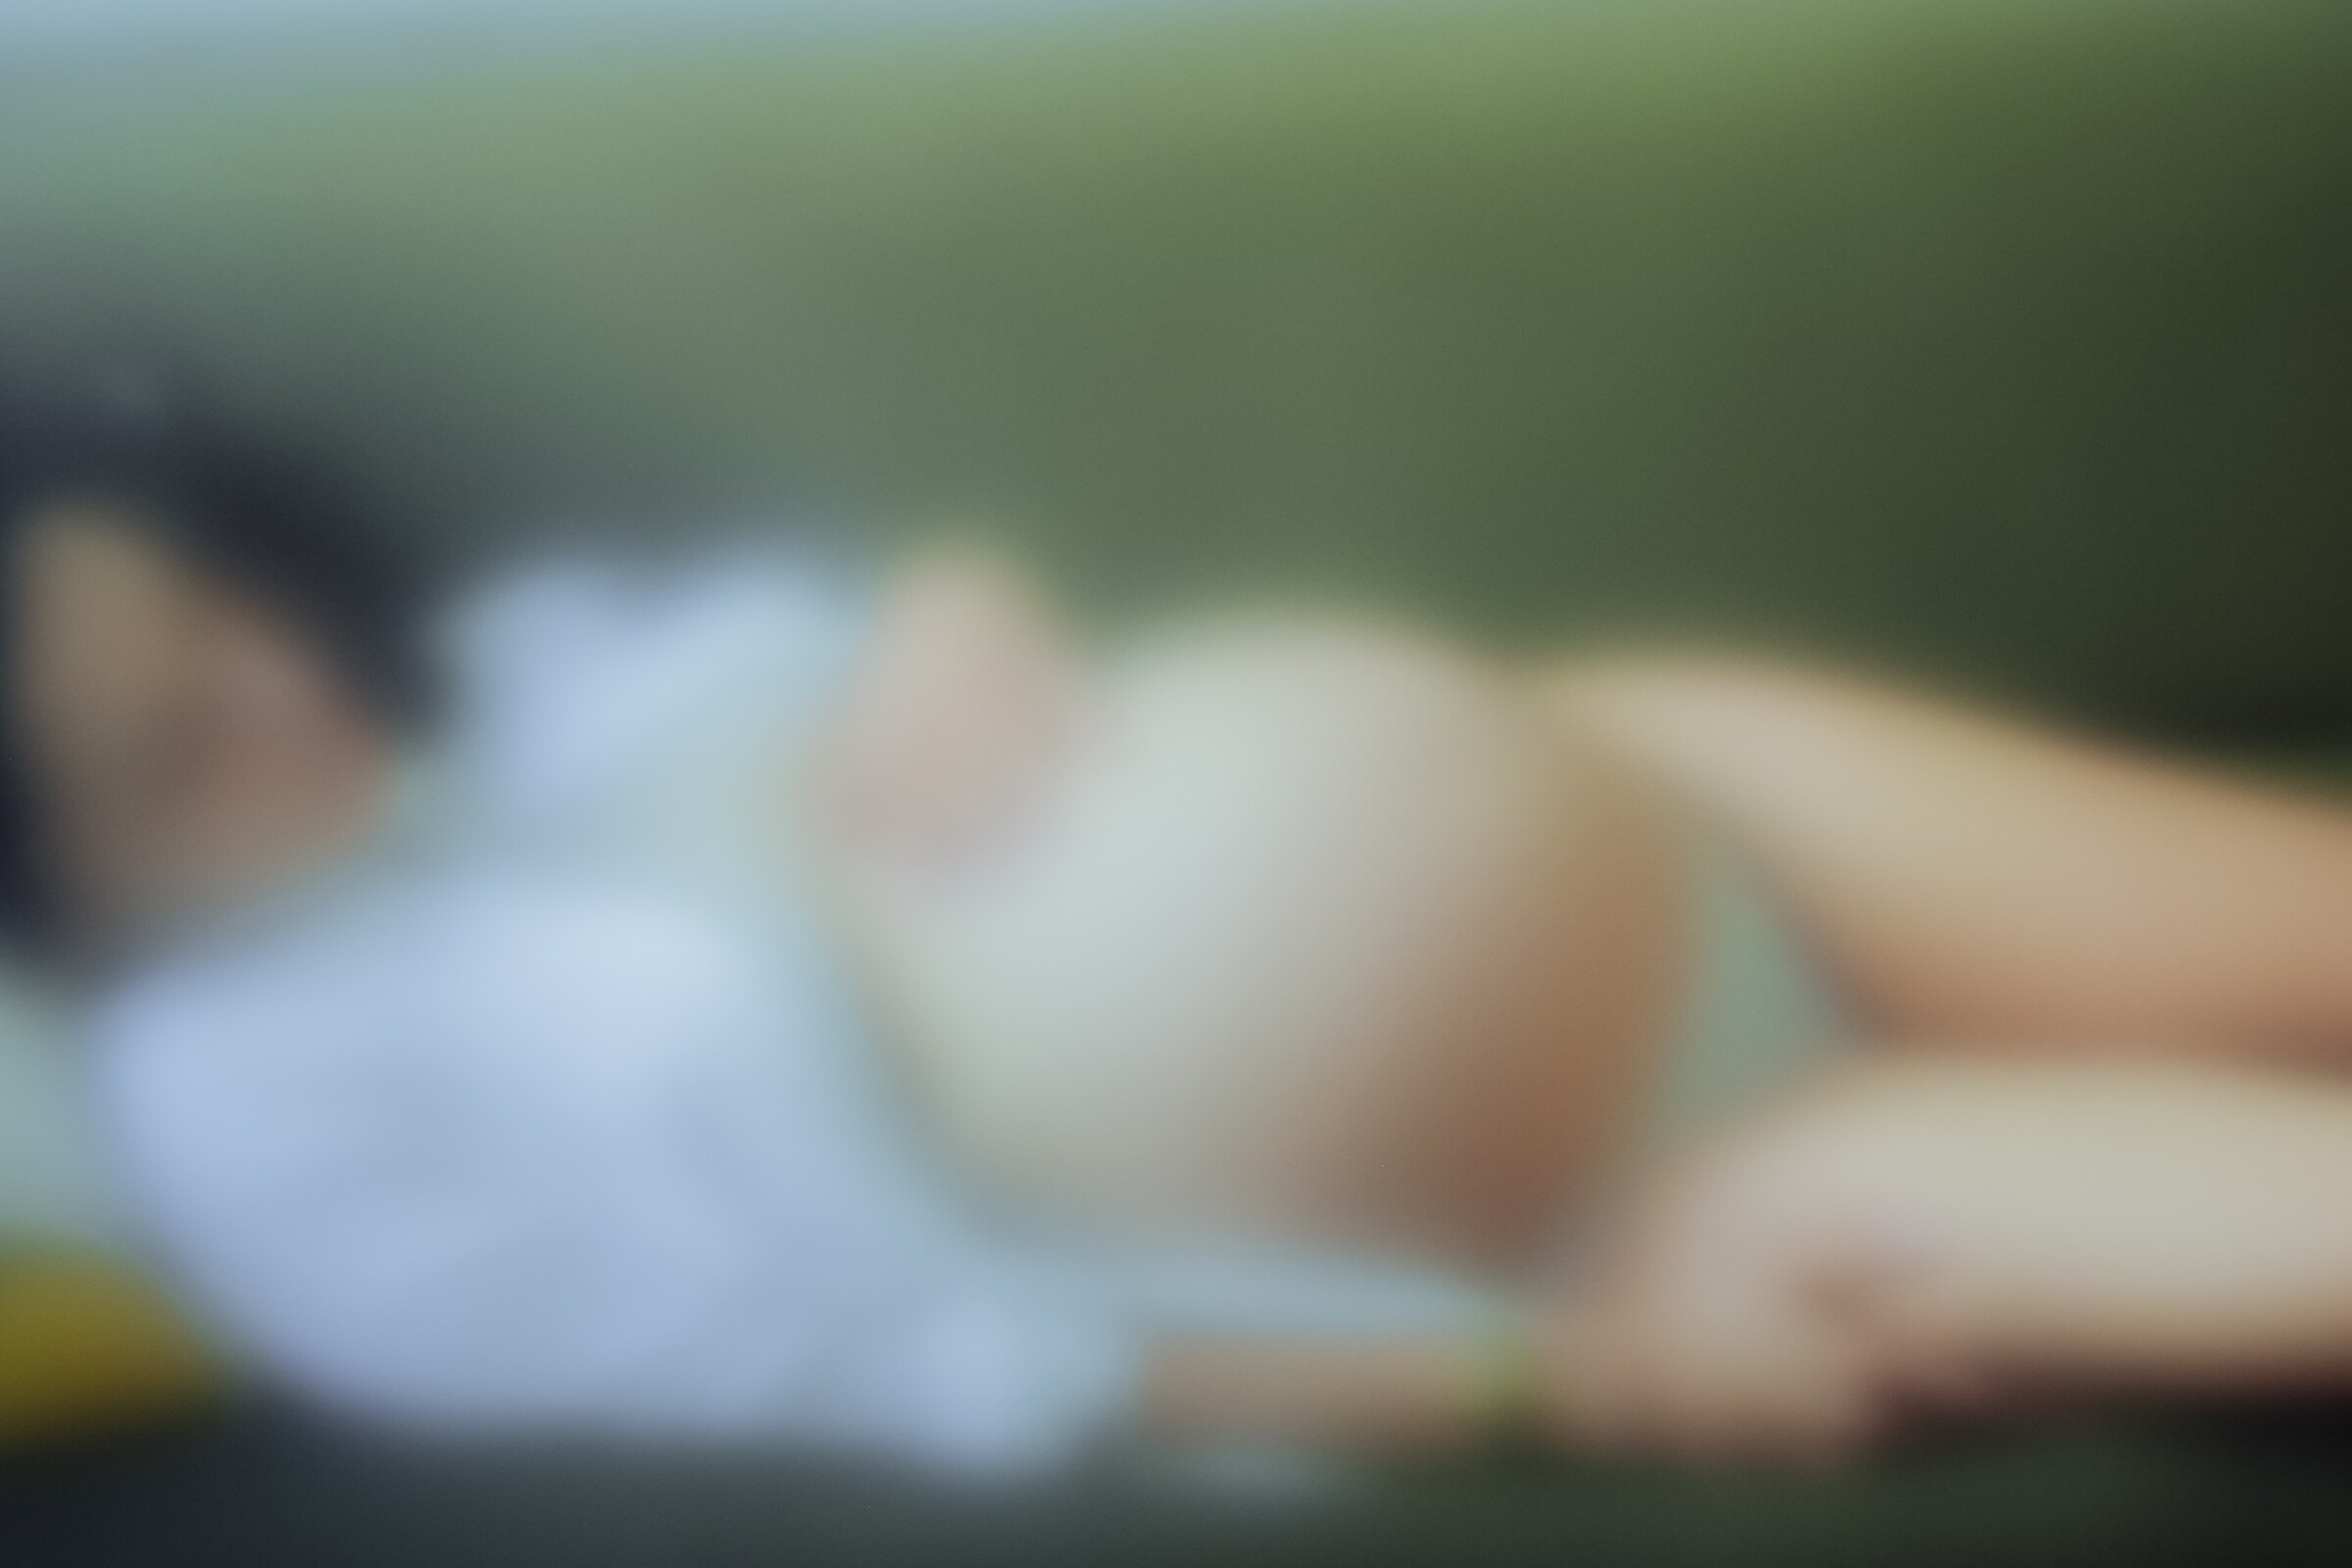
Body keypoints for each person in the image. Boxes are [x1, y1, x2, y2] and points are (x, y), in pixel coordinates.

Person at [9, 378, 2352, 1473]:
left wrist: (952, 611)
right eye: (178, 748)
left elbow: (876, 614)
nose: (288, 682)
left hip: (1685, 782)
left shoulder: (504, 669)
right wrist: (1570, 1368)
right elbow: (902, 1362)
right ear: (58, 893)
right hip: (1647, 1186)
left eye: (219, 609)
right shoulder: (277, 1150)